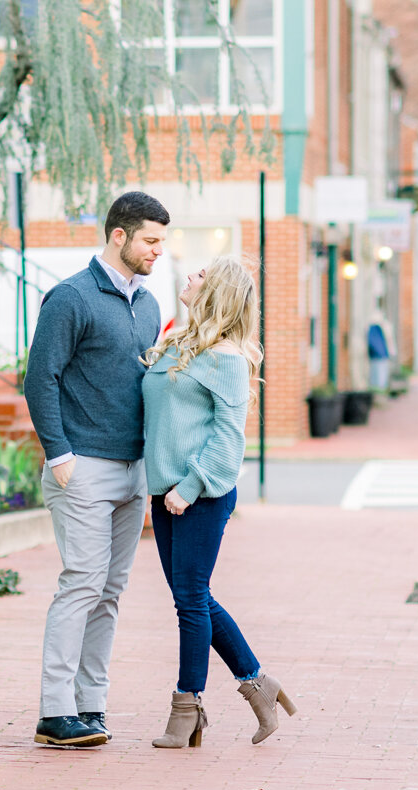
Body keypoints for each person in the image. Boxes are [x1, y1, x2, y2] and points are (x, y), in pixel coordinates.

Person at [24, 191, 170, 747]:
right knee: (81, 584)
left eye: (161, 241)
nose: (158, 251)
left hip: (134, 472)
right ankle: (54, 710)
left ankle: (90, 704)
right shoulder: (71, 298)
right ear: (119, 236)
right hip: (81, 467)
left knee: (109, 591)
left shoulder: (150, 305)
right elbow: (42, 378)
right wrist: (60, 456)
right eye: (150, 241)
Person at [141, 255, 296, 749]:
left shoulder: (227, 358)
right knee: (195, 598)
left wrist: (188, 489)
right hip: (165, 492)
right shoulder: (180, 343)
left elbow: (230, 440)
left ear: (219, 293)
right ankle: (257, 686)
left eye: (201, 274)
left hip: (199, 495)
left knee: (190, 601)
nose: (190, 276)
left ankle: (186, 708)